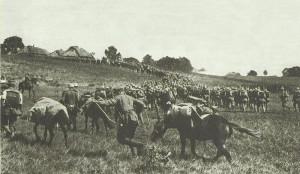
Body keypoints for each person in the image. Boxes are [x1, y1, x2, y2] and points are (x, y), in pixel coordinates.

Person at [98, 86, 146, 156]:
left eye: (116, 92)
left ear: (119, 92)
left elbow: (107, 102)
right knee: (129, 138)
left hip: (125, 119)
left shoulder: (119, 97)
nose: (116, 94)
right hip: (134, 118)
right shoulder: (130, 97)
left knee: (120, 139)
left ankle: (139, 145)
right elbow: (141, 104)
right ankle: (134, 155)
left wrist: (97, 101)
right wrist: (137, 112)